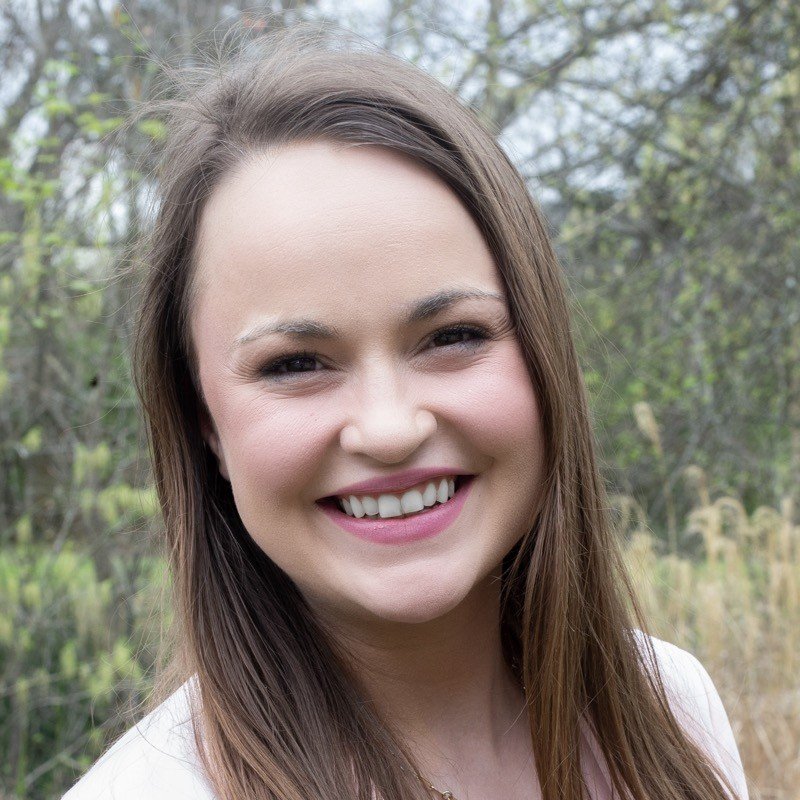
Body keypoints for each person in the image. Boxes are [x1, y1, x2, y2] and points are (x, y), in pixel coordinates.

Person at [62, 22, 748, 800]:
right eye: (295, 364)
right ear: (205, 425)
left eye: (452, 336)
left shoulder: (670, 714)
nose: (389, 430)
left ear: (547, 358)